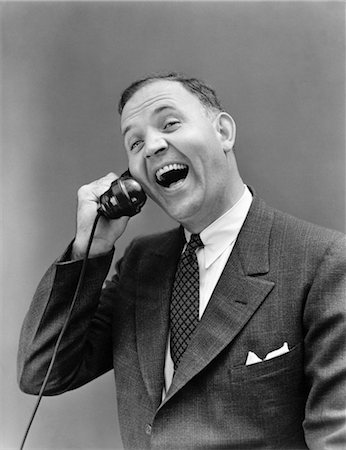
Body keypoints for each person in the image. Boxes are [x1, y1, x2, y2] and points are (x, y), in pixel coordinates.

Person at [18, 73, 346, 449]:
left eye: (170, 123)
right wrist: (89, 252)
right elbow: (42, 371)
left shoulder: (323, 261)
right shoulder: (141, 265)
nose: (152, 146)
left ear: (223, 132)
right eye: (135, 142)